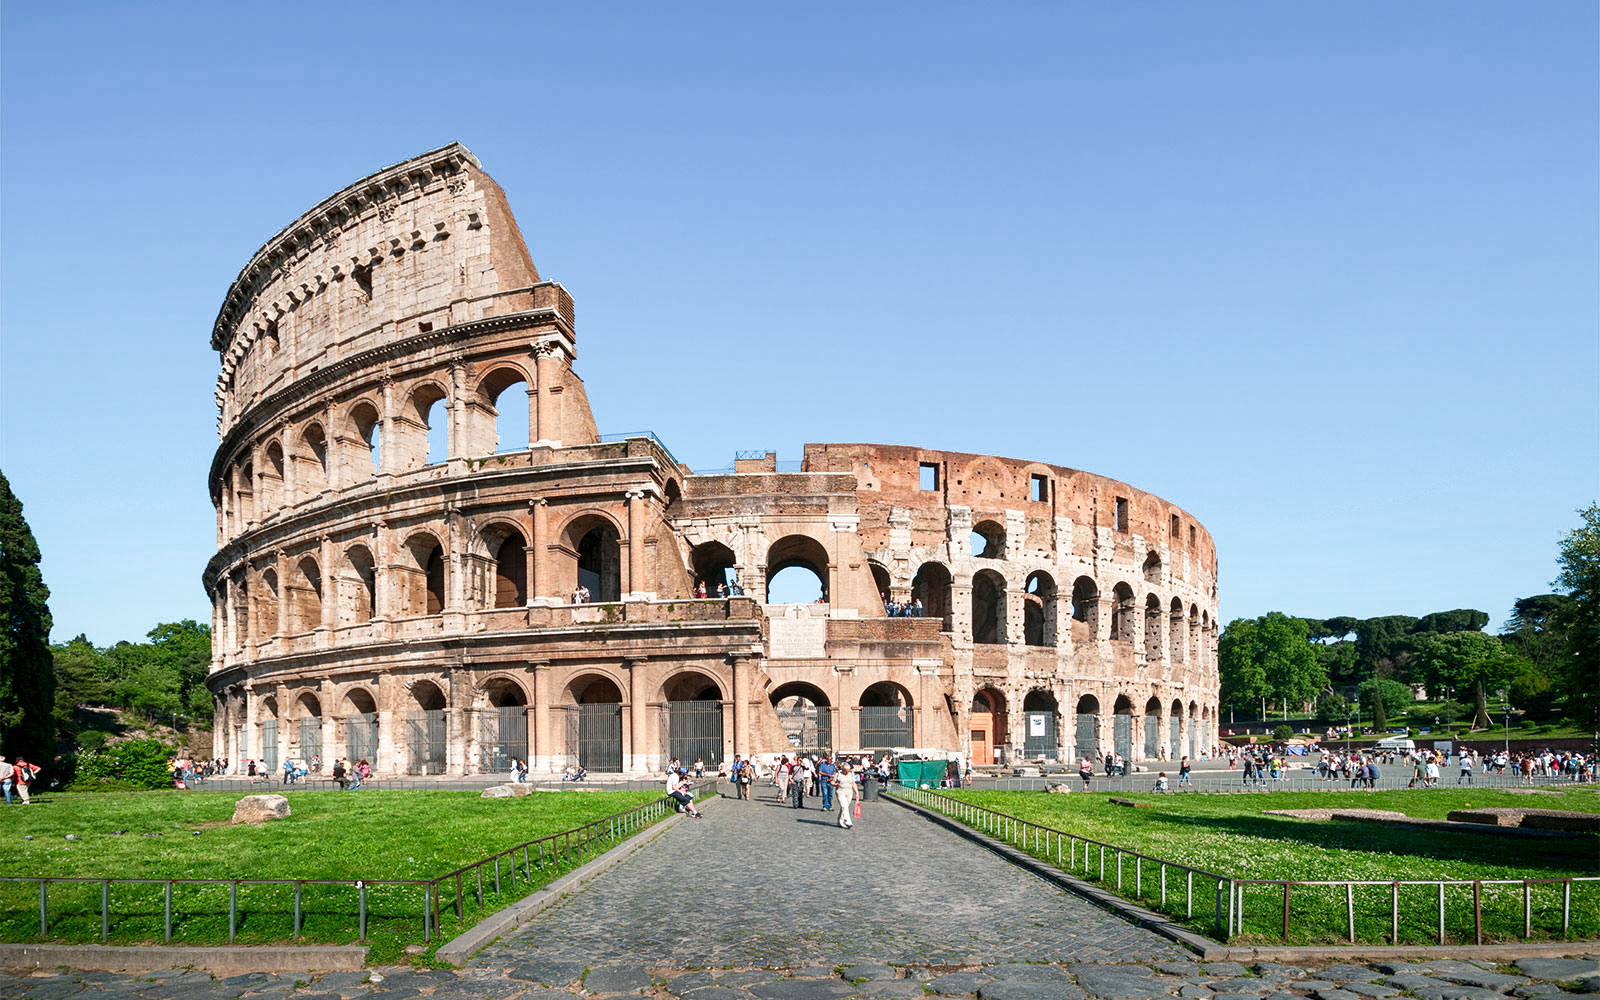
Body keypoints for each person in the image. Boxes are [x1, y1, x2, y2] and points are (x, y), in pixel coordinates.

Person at [834, 761, 858, 828]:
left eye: (848, 770)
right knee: (844, 806)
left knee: (844, 807)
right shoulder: (838, 774)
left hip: (849, 792)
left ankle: (840, 821)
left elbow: (853, 783)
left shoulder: (851, 774)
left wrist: (857, 792)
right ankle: (848, 821)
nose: (847, 772)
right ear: (843, 770)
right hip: (840, 792)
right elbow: (832, 782)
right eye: (846, 771)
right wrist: (836, 784)